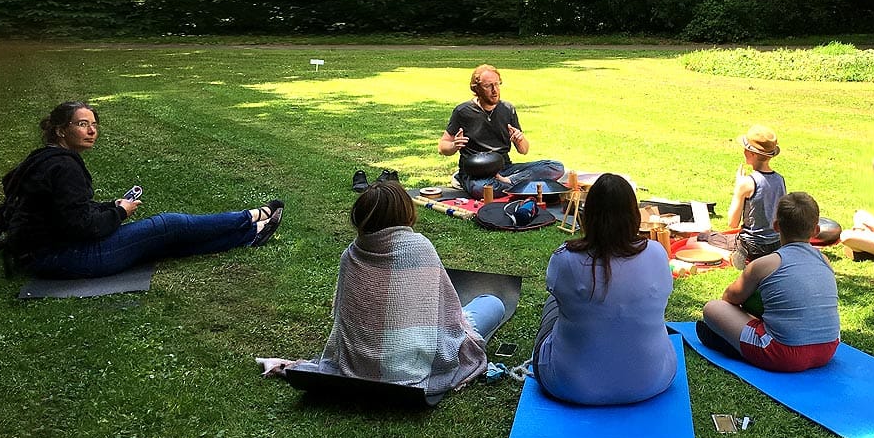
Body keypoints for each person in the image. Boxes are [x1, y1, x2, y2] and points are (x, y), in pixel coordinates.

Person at [0, 100, 282, 278]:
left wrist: (110, 206)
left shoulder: (43, 158)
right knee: (168, 225)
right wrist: (119, 212)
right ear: (61, 130)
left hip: (46, 255)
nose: (92, 131)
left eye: (94, 125)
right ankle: (252, 216)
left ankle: (249, 235)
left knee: (162, 241)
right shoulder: (64, 167)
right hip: (66, 258)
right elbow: (82, 227)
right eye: (83, 125)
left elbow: (64, 211)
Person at [286, 182, 505, 402]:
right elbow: (451, 319)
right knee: (492, 303)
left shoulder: (351, 254)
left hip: (358, 368)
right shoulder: (419, 248)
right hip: (412, 370)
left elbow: (343, 320)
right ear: (406, 213)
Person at [532, 173, 676, 405]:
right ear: (634, 215)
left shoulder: (564, 258)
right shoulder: (657, 253)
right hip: (653, 380)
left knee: (553, 303)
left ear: (587, 215)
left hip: (568, 384)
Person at [697, 192, 840, 373]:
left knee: (712, 307)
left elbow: (729, 298)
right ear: (816, 231)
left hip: (781, 354)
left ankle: (733, 346)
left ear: (776, 226)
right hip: (828, 349)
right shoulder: (825, 261)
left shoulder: (764, 265)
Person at [437, 64, 565, 199]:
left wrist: (519, 140)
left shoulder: (507, 109)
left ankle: (511, 182)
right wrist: (454, 145)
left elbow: (524, 150)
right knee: (482, 190)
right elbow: (442, 147)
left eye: (497, 84)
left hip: (505, 169)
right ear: (477, 88)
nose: (495, 90)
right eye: (488, 86)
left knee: (556, 167)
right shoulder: (463, 111)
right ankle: (524, 186)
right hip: (476, 172)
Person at [705, 125, 787, 269]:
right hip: (775, 243)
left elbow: (732, 223)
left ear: (752, 154)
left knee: (703, 239)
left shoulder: (747, 183)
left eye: (746, 149)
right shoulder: (780, 180)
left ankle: (733, 255)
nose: (743, 151)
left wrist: (738, 188)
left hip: (752, 244)